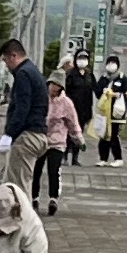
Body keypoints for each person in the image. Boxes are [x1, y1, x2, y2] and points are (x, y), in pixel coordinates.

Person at [0, 35, 51, 211]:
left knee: (16, 188)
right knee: (22, 182)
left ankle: (24, 221)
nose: (6, 65)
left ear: (13, 56)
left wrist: (9, 134)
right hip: (39, 135)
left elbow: (22, 108)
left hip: (27, 136)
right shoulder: (34, 72)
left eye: (6, 60)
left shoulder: (23, 74)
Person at [34, 77, 79, 216]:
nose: (54, 88)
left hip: (57, 141)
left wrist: (78, 138)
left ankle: (53, 199)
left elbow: (72, 122)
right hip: (40, 139)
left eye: (58, 85)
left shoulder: (66, 103)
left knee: (53, 170)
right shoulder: (40, 98)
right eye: (53, 84)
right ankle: (34, 198)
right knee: (36, 170)